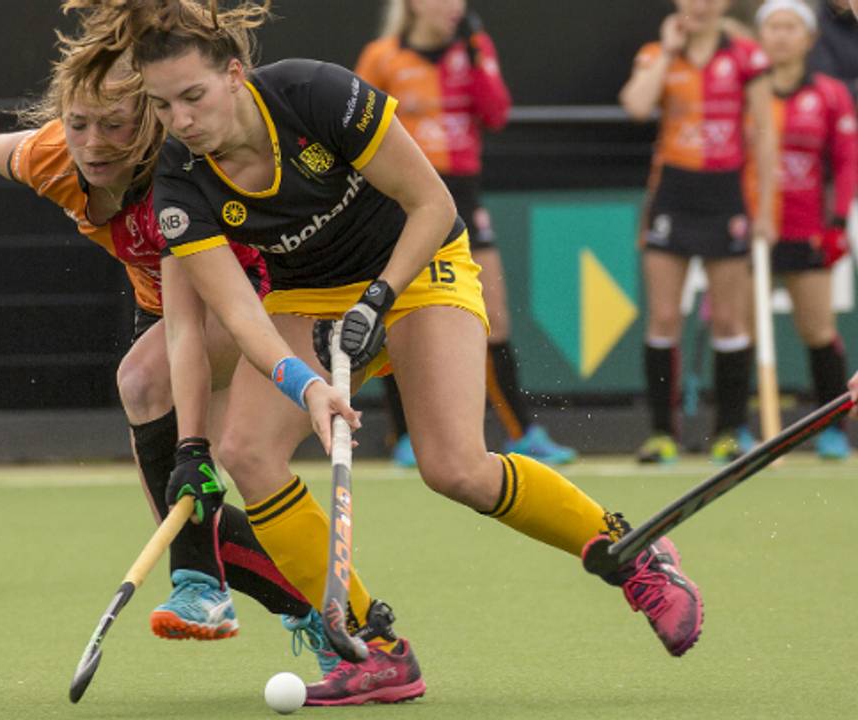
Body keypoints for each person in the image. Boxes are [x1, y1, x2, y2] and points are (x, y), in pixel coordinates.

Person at [74, 0, 706, 706]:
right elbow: (229, 314)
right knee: (247, 451)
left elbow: (432, 204)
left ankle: (631, 556)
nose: (183, 121)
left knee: (454, 466)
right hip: (306, 294)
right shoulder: (181, 180)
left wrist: (379, 299)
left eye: (193, 97)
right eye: (163, 107)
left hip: (414, 261)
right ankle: (372, 648)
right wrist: (290, 395)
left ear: (233, 73)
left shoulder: (315, 94)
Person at [0, 23, 330, 657]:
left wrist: (192, 440)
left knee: (148, 394)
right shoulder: (57, 157)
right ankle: (317, 616)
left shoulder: (178, 180)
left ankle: (203, 584)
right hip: (161, 313)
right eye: (78, 123)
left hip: (259, 296)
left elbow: (195, 320)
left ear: (152, 124)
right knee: (185, 506)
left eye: (114, 126)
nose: (92, 144)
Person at [355, 0, 576, 467]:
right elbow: (354, 134)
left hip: (462, 198)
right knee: (399, 317)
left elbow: (496, 113)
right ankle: (405, 436)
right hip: (402, 199)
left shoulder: (474, 49)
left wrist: (477, 57)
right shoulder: (383, 56)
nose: (453, 6)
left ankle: (522, 432)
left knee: (492, 314)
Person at [620, 0, 778, 464]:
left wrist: (765, 208)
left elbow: (765, 132)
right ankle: (661, 433)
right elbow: (635, 105)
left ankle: (729, 431)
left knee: (730, 319)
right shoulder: (657, 53)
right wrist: (669, 51)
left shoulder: (747, 57)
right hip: (672, 192)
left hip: (725, 193)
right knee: (664, 316)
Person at [748, 0, 856, 459]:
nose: (782, 36)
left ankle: (832, 428)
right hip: (751, 231)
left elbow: (848, 161)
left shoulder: (830, 94)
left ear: (809, 38)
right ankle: (733, 427)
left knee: (817, 329)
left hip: (806, 227)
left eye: (792, 27)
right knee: (737, 329)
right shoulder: (746, 92)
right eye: (773, 27)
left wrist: (835, 220)